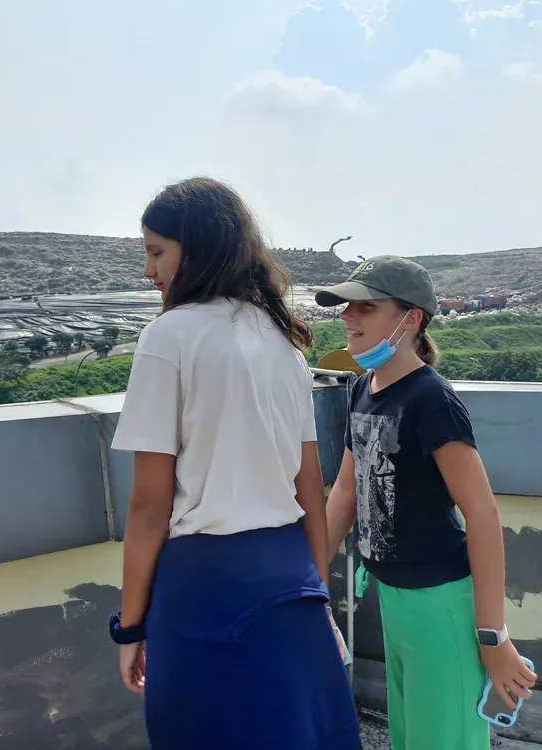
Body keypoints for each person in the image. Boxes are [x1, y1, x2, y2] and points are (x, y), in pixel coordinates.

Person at [107, 177, 361, 750]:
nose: (149, 271)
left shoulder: (167, 338)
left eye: (156, 251)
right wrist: (317, 595)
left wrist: (131, 626)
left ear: (195, 250)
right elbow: (309, 491)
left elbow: (149, 507)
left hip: (206, 590)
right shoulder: (282, 342)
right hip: (289, 581)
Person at [317, 256, 538, 750]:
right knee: (413, 737)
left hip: (440, 604)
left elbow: (481, 513)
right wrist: (307, 585)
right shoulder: (362, 389)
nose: (348, 317)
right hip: (395, 599)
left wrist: (492, 637)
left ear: (410, 318)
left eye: (365, 307)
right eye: (346, 307)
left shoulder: (430, 399)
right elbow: (345, 493)